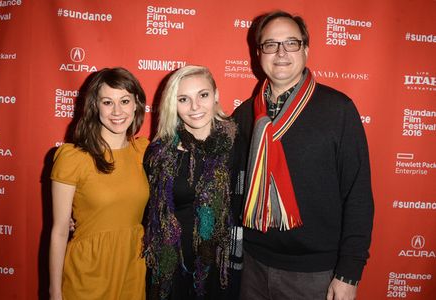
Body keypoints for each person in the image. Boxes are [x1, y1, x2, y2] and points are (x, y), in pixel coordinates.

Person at [232, 11, 374, 300]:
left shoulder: (338, 110)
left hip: (315, 273)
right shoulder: (244, 115)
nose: (281, 52)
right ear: (259, 53)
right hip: (252, 265)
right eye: (271, 44)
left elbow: (358, 195)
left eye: (292, 43)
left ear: (306, 50)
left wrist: (348, 273)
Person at [49, 67, 149, 300]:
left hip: (133, 269)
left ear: (136, 104)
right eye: (107, 102)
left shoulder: (144, 152)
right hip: (88, 272)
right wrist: (55, 292)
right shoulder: (73, 157)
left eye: (124, 101)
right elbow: (60, 230)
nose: (117, 111)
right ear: (95, 106)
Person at [143, 65, 241, 300]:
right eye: (184, 99)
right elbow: (142, 206)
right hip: (171, 266)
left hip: (221, 266)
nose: (195, 107)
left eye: (203, 95)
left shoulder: (237, 144)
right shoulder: (159, 153)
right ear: (172, 105)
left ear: (216, 95)